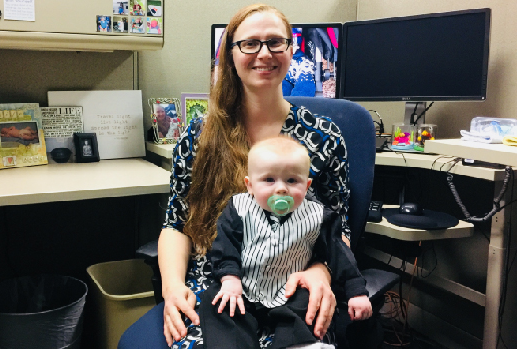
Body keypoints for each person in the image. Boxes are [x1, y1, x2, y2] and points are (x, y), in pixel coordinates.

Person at [119, 4, 352, 349]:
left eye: (275, 42)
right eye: (249, 44)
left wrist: (322, 272)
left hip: (293, 285)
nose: (264, 54)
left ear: (290, 50)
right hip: (217, 283)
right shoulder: (200, 134)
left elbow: (337, 227)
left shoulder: (324, 136)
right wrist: (171, 287)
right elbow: (176, 224)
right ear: (230, 55)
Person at [202, 136, 371, 348]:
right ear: (250, 185)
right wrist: (229, 279)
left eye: (292, 181)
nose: (281, 189)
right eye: (269, 180)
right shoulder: (238, 208)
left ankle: (298, 343)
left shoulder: (318, 216)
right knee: (216, 300)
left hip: (290, 291)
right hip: (244, 286)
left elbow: (340, 255)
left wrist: (356, 291)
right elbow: (224, 247)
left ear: (307, 184)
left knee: (310, 301)